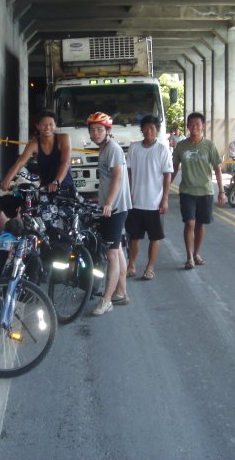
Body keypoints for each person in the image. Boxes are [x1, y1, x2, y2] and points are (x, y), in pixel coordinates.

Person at [87, 112, 132, 316]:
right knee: (117, 249)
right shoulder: (104, 149)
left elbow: (117, 177)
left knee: (111, 253)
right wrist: (99, 198)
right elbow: (106, 180)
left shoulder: (112, 149)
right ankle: (121, 292)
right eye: (93, 130)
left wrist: (108, 202)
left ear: (107, 131)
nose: (96, 133)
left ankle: (107, 300)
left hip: (115, 208)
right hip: (113, 206)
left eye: (100, 129)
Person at [171, 112, 226, 270]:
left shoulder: (209, 146)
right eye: (191, 124)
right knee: (190, 223)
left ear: (203, 127)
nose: (194, 127)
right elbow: (174, 168)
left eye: (198, 124)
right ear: (187, 126)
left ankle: (196, 253)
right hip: (187, 191)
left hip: (205, 191)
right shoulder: (181, 146)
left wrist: (221, 191)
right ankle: (189, 257)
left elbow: (217, 169)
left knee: (200, 224)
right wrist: (164, 189)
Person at [125, 114, 173, 281]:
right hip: (135, 202)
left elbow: (167, 175)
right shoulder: (134, 147)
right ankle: (131, 266)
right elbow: (129, 172)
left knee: (155, 237)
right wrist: (128, 194)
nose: (148, 131)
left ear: (157, 130)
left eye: (152, 128)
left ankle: (150, 268)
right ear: (142, 129)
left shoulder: (162, 149)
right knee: (134, 237)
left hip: (154, 203)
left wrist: (165, 199)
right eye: (145, 127)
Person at [0, 109, 73, 193]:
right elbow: (19, 163)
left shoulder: (63, 138)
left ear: (55, 125)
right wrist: (7, 179)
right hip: (46, 189)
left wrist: (56, 182)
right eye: (44, 124)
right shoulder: (33, 145)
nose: (48, 127)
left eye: (51, 124)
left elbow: (66, 162)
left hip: (66, 188)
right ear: (37, 126)